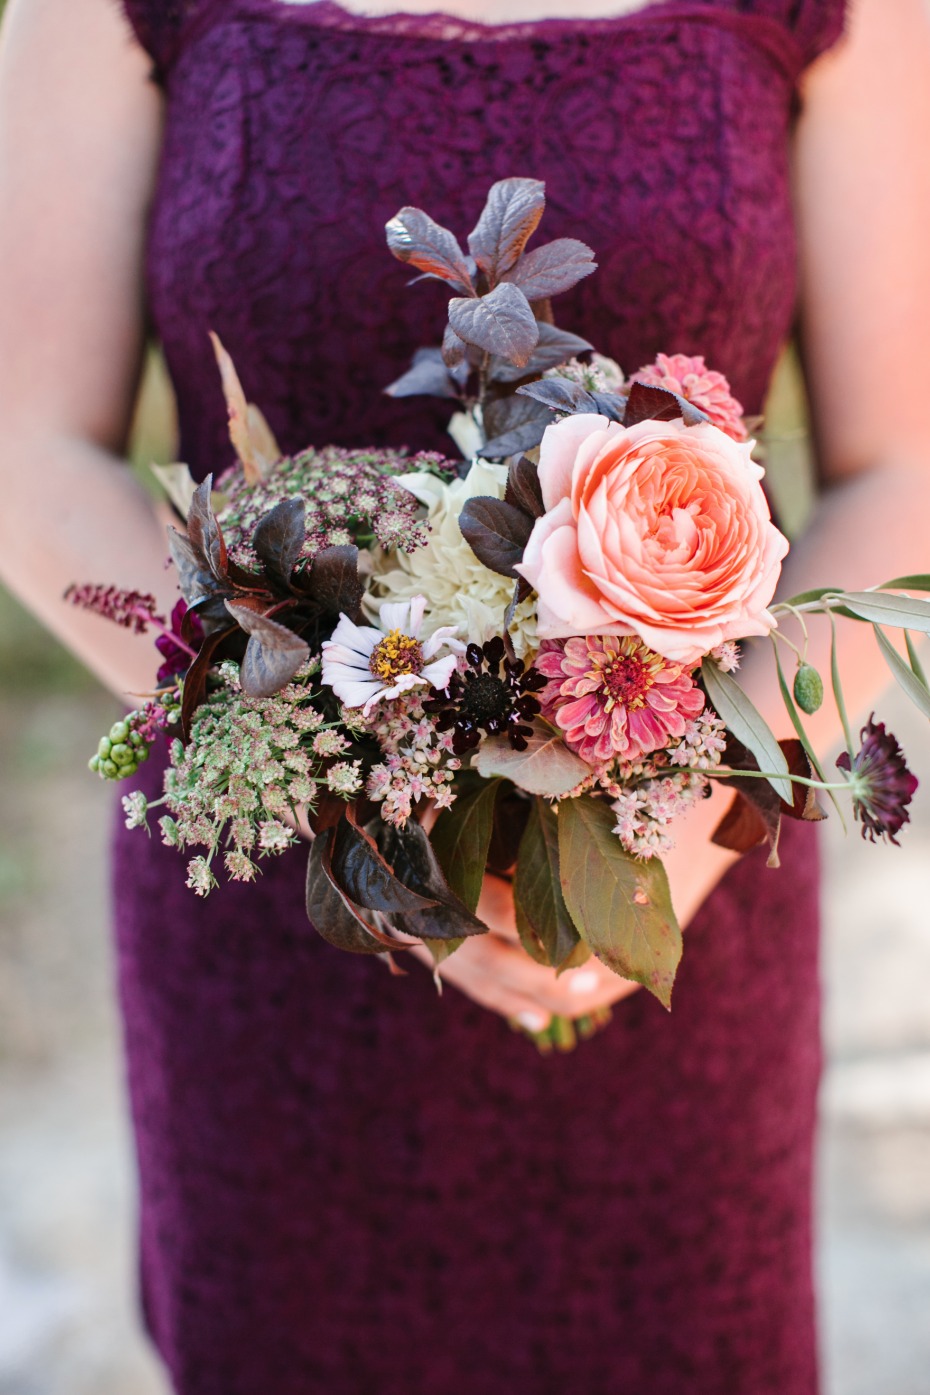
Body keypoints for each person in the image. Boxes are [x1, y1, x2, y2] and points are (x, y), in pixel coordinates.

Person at [1, 0, 928, 1390]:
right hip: (283, 911)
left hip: (671, 897)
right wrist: (345, 801)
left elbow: (898, 463)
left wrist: (675, 837)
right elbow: (27, 447)